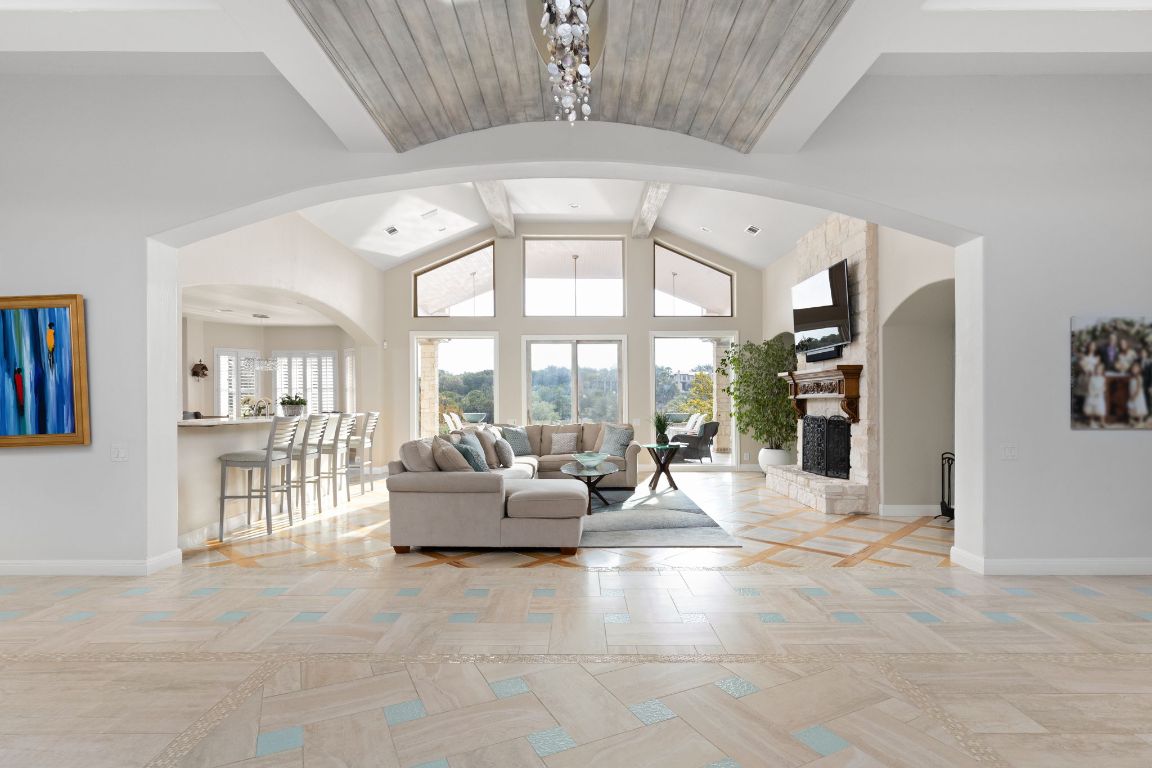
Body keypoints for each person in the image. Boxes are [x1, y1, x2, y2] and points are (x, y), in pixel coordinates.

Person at [1074, 341, 1100, 423]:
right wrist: (1085, 370)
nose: (1092, 347)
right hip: (1084, 377)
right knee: (1083, 396)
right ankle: (1083, 414)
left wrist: (1094, 372)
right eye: (1090, 346)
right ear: (1088, 347)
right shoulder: (1084, 356)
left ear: (1095, 348)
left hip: (1092, 378)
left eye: (1093, 346)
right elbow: (1080, 366)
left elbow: (1098, 367)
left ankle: (1091, 416)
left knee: (1091, 396)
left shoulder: (1097, 357)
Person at [1083, 361, 1107, 428]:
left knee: (1101, 409)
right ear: (1094, 369)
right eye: (1096, 369)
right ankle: (1091, 421)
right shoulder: (1092, 378)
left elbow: (1104, 387)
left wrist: (1099, 392)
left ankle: (1102, 422)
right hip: (1092, 395)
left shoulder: (1103, 378)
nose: (1098, 371)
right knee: (1091, 409)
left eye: (1099, 369)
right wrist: (1091, 392)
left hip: (1099, 395)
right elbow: (1089, 386)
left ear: (1102, 371)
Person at [1129, 361, 1149, 427]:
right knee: (1133, 407)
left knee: (1139, 406)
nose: (1134, 370)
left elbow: (1138, 388)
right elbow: (1131, 387)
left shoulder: (1139, 377)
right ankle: (1134, 420)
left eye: (1136, 369)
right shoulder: (1132, 377)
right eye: (1133, 368)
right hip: (1132, 394)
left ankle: (1141, 421)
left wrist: (1135, 395)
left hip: (1138, 395)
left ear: (1139, 370)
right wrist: (1131, 395)